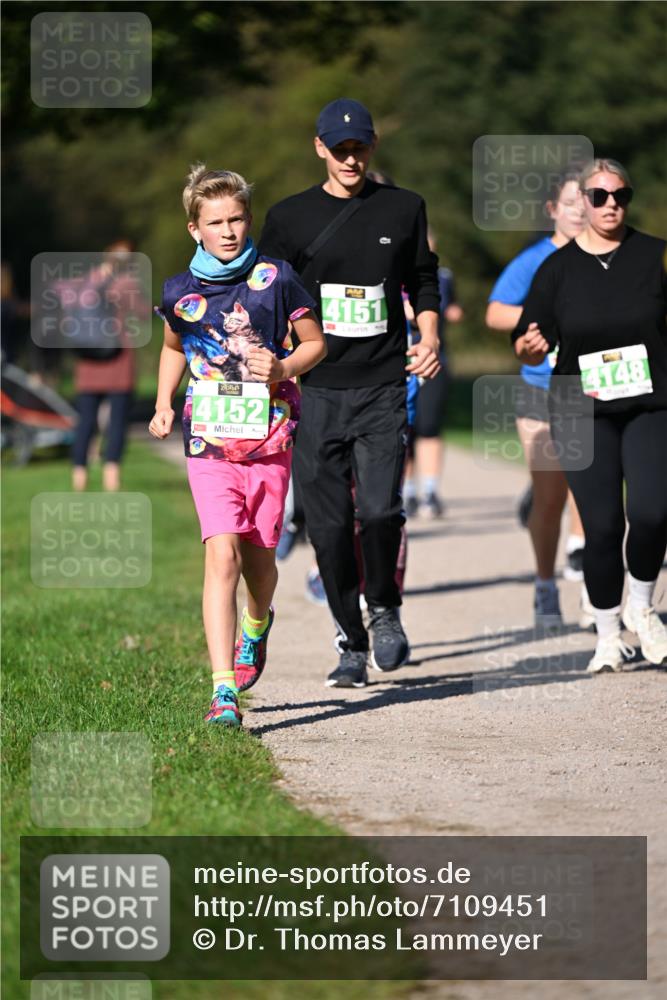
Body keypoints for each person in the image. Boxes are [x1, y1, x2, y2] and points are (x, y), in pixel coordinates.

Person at [258, 98, 440, 688]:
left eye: (359, 147)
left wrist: (429, 332)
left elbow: (422, 277)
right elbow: (265, 298)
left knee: (382, 510)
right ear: (319, 149)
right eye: (339, 149)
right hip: (316, 391)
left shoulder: (404, 207)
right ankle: (350, 640)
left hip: (383, 384)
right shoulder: (288, 218)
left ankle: (384, 607)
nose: (350, 158)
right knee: (331, 527)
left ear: (372, 146)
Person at [149, 165, 326, 726]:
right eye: (215, 222)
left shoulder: (277, 277)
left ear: (248, 219)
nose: (228, 231)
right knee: (220, 552)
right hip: (208, 440)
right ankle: (223, 690)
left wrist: (283, 366)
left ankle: (258, 621)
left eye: (236, 219)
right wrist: (162, 402)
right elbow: (174, 346)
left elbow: (315, 344)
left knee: (259, 559)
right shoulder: (180, 290)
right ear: (193, 229)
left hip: (269, 436)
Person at [513, 158, 667, 671]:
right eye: (598, 196)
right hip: (581, 408)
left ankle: (643, 608)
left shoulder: (654, 255)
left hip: (650, 404)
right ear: (582, 202)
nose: (610, 205)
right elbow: (529, 342)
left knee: (651, 513)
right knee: (600, 527)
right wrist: (531, 348)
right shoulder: (555, 267)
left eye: (619, 195)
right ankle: (606, 634)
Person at [486, 174, 590, 631]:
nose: (581, 211)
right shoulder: (535, 260)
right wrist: (545, 317)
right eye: (571, 202)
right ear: (553, 209)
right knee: (550, 498)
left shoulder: (608, 257)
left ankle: (596, 599)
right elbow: (495, 312)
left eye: (588, 201)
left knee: (595, 495)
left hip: (596, 390)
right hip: (542, 392)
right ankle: (545, 585)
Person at [61, 239, 146, 492]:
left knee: (85, 420)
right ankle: (112, 478)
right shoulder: (126, 284)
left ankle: (79, 477)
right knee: (118, 420)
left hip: (88, 361)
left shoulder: (84, 283)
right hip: (118, 358)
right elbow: (142, 313)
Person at [403, 228, 464, 519]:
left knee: (429, 427)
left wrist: (452, 311)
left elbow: (450, 307)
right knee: (403, 429)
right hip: (400, 360)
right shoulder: (392, 272)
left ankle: (429, 490)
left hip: (434, 358)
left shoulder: (444, 276)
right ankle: (407, 491)